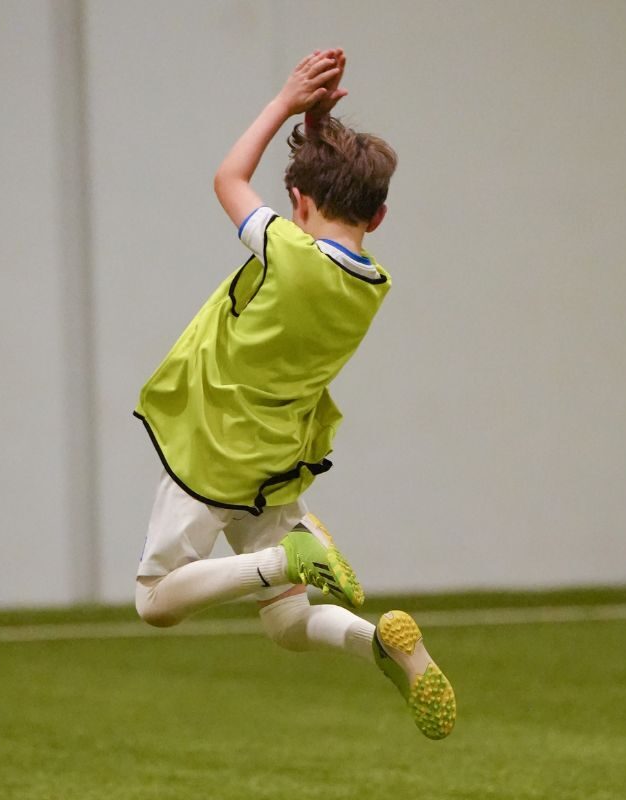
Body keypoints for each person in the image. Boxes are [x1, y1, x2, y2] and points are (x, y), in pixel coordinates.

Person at [133, 49, 455, 740]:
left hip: (214, 445)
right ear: (382, 215)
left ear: (298, 205)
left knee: (156, 601)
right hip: (278, 452)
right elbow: (319, 214)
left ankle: (289, 557)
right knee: (284, 621)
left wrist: (285, 102)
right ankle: (382, 644)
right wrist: (318, 130)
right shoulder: (372, 284)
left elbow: (228, 177)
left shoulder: (288, 252)